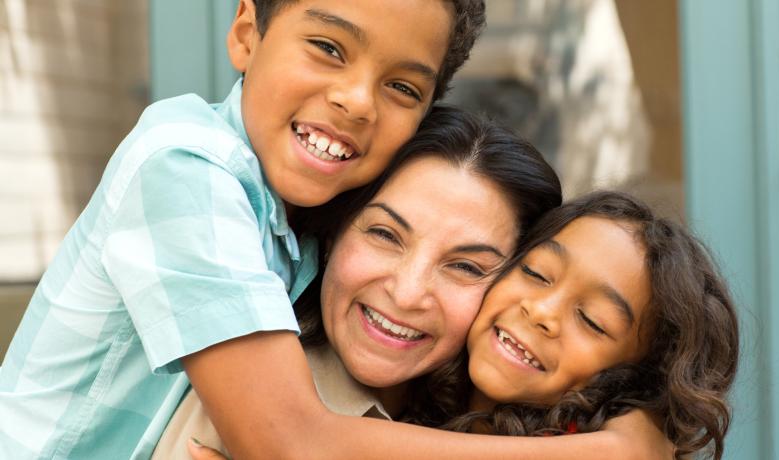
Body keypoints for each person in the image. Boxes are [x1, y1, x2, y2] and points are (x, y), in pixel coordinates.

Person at [0, 1, 486, 458]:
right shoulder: (182, 164)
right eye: (329, 48)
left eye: (403, 87)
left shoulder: (316, 223)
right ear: (246, 34)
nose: (357, 102)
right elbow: (286, 443)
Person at [161, 111, 675, 460]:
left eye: (466, 267)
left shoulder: (459, 412)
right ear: (334, 231)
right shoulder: (257, 396)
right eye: (385, 234)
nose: (407, 293)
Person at [403, 191, 739, 460]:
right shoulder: (407, 388)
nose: (541, 312)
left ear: (635, 380)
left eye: (592, 321)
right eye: (536, 273)